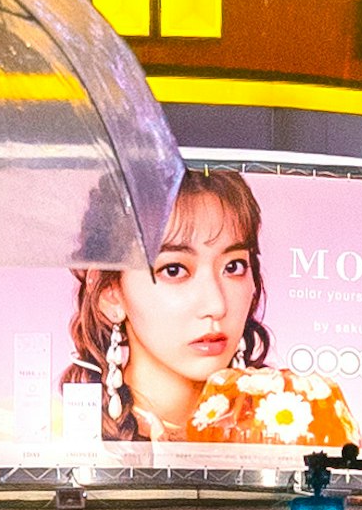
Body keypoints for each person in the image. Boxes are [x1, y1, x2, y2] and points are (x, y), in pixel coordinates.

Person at [55, 160, 275, 450]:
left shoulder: (287, 429)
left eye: (233, 266)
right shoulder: (51, 437)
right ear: (110, 293)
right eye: (175, 270)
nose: (216, 305)